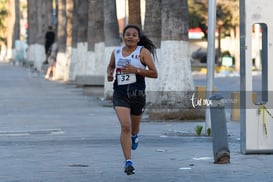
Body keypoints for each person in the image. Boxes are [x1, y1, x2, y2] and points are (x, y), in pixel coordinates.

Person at [107, 24, 158, 175]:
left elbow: (154, 73)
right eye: (127, 34)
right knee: (125, 127)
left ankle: (135, 136)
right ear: (123, 36)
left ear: (138, 38)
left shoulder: (142, 52)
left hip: (137, 94)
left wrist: (136, 70)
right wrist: (110, 74)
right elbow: (110, 67)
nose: (130, 37)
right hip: (120, 93)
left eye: (134, 35)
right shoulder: (116, 52)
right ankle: (128, 162)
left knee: (134, 128)